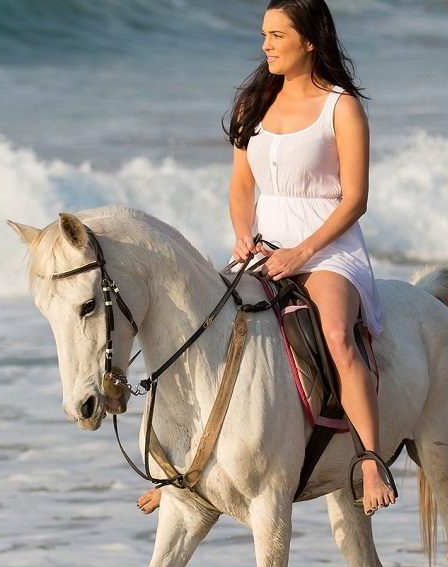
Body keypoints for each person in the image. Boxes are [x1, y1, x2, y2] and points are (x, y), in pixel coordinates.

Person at [137, 0, 393, 517]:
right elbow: (239, 183)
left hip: (327, 250)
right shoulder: (253, 103)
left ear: (311, 40)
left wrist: (304, 251)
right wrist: (242, 236)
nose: (266, 45)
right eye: (263, 35)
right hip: (263, 246)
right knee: (200, 328)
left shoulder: (340, 106)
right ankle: (176, 468)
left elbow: (355, 199)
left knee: (339, 336)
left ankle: (369, 458)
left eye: (277, 35)